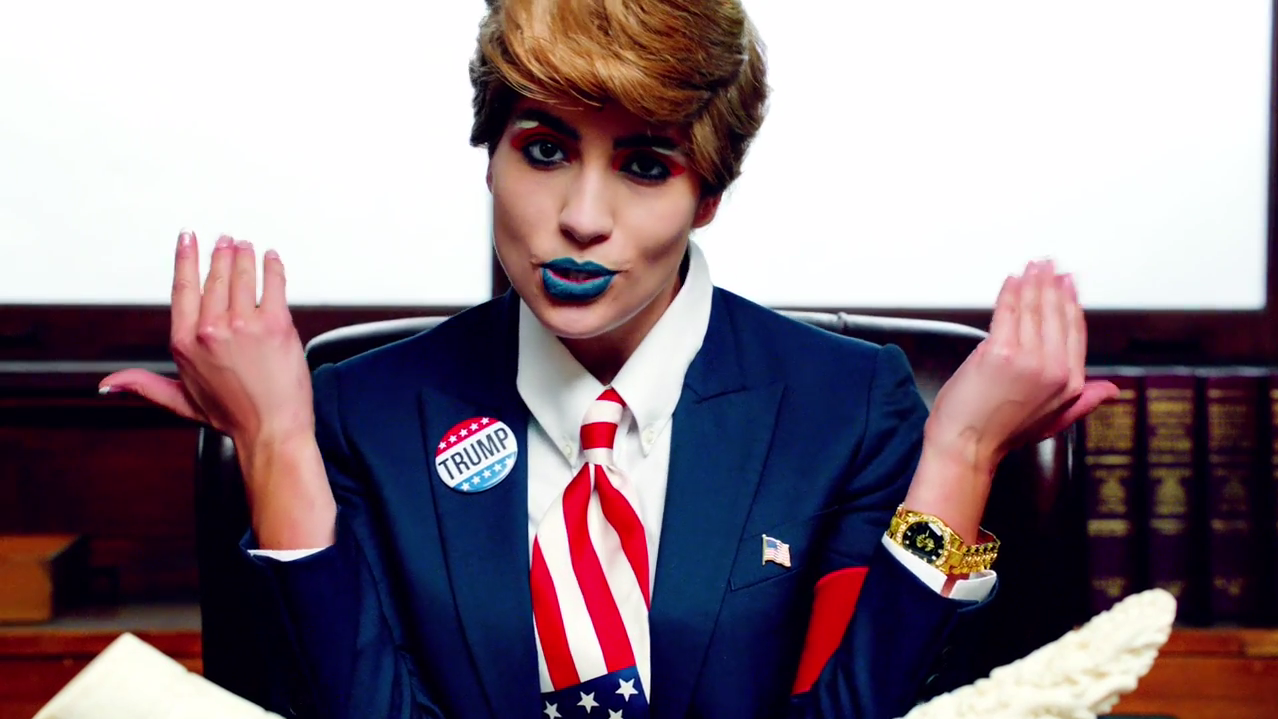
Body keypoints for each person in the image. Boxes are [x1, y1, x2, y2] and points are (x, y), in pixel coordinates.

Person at [101, 1, 1117, 717]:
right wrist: (277, 440)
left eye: (644, 164)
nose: (581, 217)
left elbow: (866, 708)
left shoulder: (849, 404)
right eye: (544, 149)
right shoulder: (363, 412)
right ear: (489, 155)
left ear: (708, 194)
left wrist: (963, 453)